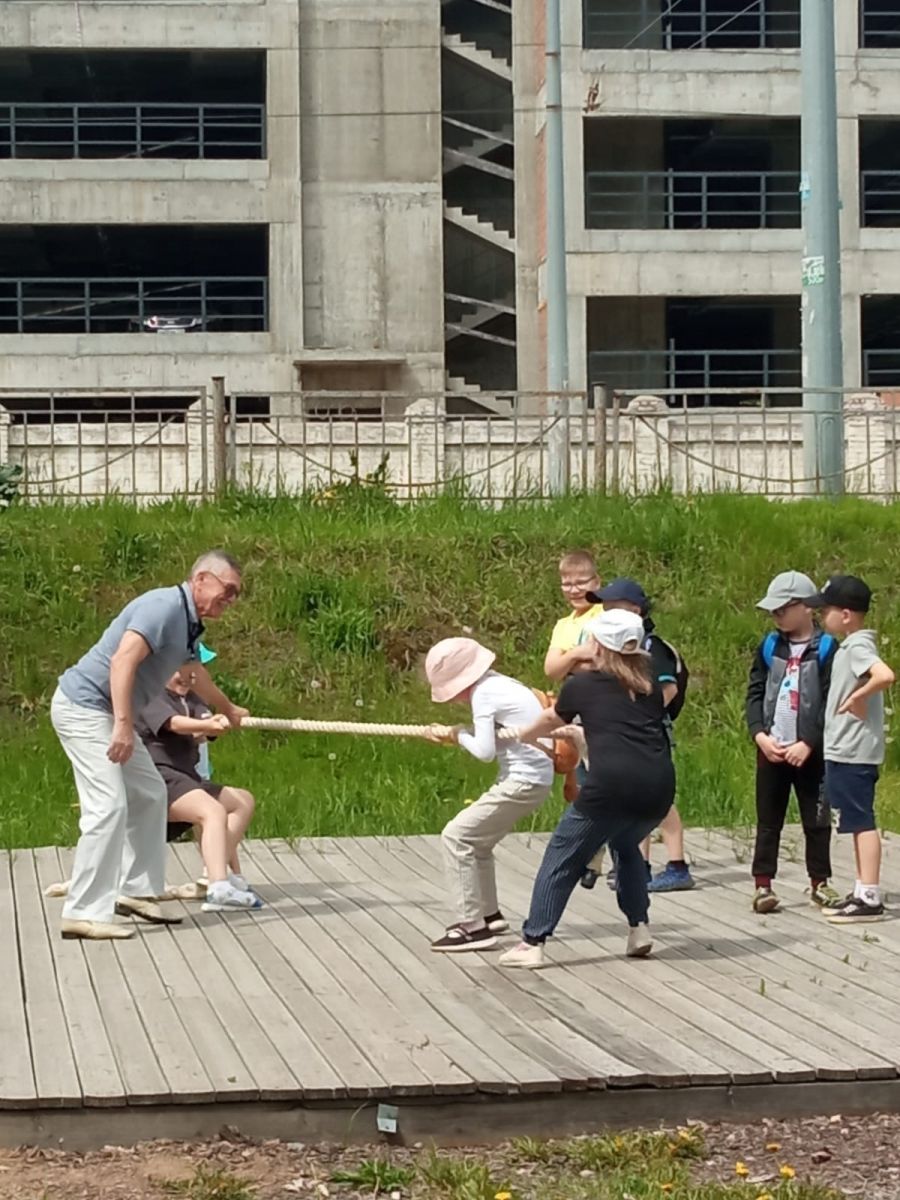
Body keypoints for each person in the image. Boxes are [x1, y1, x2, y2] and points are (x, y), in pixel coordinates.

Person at [51, 550, 247, 940]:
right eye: (227, 589)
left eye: (236, 594)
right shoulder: (163, 607)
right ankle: (83, 912)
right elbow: (122, 661)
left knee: (151, 794)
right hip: (85, 708)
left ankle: (135, 891)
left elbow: (194, 671)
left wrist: (227, 707)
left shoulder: (189, 623)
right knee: (108, 806)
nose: (230, 599)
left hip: (108, 713)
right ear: (201, 579)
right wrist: (125, 726)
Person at [499, 609, 675, 969]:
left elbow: (551, 718)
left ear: (596, 645)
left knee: (562, 857)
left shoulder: (583, 685)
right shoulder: (650, 688)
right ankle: (639, 928)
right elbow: (619, 728)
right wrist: (581, 734)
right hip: (658, 788)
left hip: (610, 788)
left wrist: (520, 736)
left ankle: (533, 941)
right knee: (625, 846)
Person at [424, 637, 554, 952]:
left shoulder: (484, 694)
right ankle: (489, 914)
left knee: (456, 836)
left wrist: (458, 733)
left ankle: (472, 926)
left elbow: (484, 751)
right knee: (477, 843)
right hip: (533, 779)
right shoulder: (501, 684)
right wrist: (458, 733)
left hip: (524, 780)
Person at [587, 578, 694, 893]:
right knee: (634, 800)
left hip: (649, 732)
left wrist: (640, 716)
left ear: (635, 610)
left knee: (658, 799)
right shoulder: (622, 648)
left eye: (613, 606)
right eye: (604, 607)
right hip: (629, 732)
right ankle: (639, 866)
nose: (606, 612)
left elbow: (667, 688)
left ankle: (677, 866)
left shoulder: (651, 647)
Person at [802, 575, 895, 923]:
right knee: (854, 822)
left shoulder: (857, 647)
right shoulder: (850, 646)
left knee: (861, 821)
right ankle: (860, 889)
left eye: (824, 610)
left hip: (854, 752)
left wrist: (858, 697)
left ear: (845, 615)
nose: (819, 616)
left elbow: (884, 675)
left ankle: (869, 895)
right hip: (844, 750)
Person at [746, 570, 838, 914]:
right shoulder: (769, 646)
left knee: (817, 820)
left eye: (782, 609)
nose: (776, 615)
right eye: (772, 610)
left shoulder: (827, 648)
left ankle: (820, 882)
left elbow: (831, 701)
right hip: (772, 747)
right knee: (768, 820)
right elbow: (755, 692)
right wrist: (759, 734)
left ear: (806, 607)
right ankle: (762, 885)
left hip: (810, 752)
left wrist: (809, 742)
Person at [136, 669, 262, 912]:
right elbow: (174, 723)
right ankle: (219, 886)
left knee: (242, 800)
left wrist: (222, 720)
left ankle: (213, 872)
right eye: (178, 672)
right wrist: (207, 724)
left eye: (191, 673)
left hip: (187, 778)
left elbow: (201, 728)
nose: (185, 678)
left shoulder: (193, 699)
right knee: (212, 811)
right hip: (158, 778)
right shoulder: (150, 694)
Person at [543, 550, 603, 684]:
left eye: (581, 583)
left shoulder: (608, 612)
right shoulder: (563, 625)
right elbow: (551, 670)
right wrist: (577, 653)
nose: (574, 591)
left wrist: (567, 665)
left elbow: (609, 664)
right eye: (567, 584)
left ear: (597, 582)